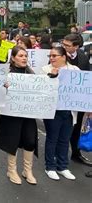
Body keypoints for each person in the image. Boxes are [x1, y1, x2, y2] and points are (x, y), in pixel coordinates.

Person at [0, 46, 38, 185]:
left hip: (28, 113)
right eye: (20, 56)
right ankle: (11, 170)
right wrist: (3, 87)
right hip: (11, 114)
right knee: (12, 141)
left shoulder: (32, 74)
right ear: (13, 58)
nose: (24, 58)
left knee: (30, 140)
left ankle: (27, 170)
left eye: (25, 56)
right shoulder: (6, 74)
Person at [41, 46, 79, 181]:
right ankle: (50, 167)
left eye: (54, 56)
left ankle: (62, 166)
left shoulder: (74, 70)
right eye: (50, 56)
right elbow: (42, 88)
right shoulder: (45, 70)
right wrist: (52, 76)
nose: (51, 58)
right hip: (53, 110)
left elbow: (82, 90)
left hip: (69, 111)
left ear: (63, 57)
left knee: (64, 139)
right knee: (52, 138)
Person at [61, 34, 92, 167]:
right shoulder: (58, 55)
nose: (64, 47)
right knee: (62, 129)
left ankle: (76, 153)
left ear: (76, 46)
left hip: (77, 100)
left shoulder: (83, 57)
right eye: (64, 44)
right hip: (61, 100)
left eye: (67, 45)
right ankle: (59, 156)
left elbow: (87, 79)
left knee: (77, 127)